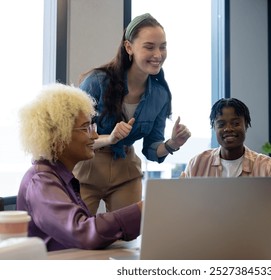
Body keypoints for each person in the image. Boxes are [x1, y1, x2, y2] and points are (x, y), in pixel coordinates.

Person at [74, 13, 191, 214]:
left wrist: (172, 144)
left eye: (162, 46)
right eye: (149, 46)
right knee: (77, 234)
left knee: (127, 239)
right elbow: (74, 137)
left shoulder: (161, 95)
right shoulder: (96, 82)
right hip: (88, 166)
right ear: (129, 47)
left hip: (126, 170)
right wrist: (109, 139)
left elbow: (152, 150)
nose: (158, 54)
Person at [16, 83, 142, 252]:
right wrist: (141, 210)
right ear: (58, 137)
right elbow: (83, 232)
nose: (95, 135)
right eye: (86, 128)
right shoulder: (41, 181)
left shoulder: (58, 177)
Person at [182, 97, 271, 178]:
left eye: (235, 123)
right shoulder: (197, 164)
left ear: (246, 125)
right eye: (221, 124)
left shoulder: (266, 166)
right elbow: (185, 201)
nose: (228, 129)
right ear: (214, 128)